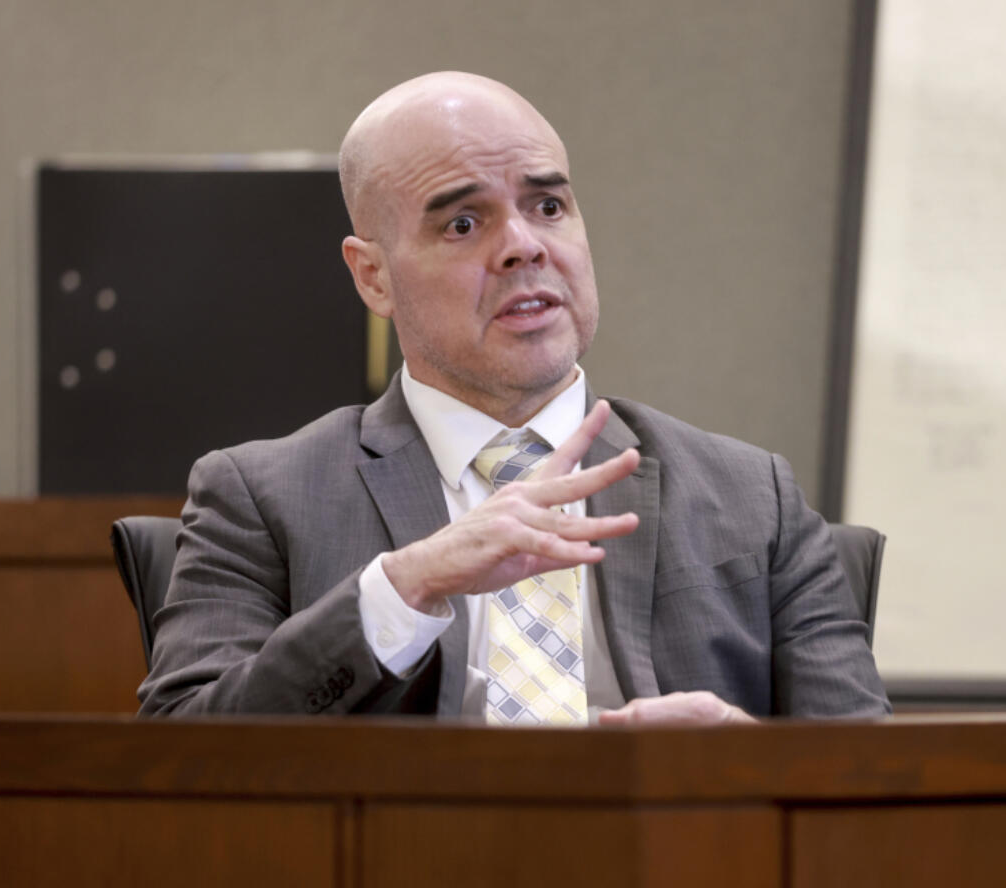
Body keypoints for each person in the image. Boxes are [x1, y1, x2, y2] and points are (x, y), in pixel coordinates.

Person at [138, 71, 890, 724]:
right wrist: (407, 585)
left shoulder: (754, 497)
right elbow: (180, 758)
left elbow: (873, 786)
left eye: (549, 207)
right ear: (373, 277)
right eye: (463, 223)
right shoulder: (261, 498)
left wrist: (740, 763)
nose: (525, 244)